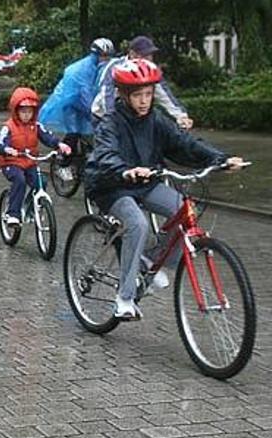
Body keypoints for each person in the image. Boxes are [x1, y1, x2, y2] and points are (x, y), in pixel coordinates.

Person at [84, 59, 246, 319]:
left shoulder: (156, 120)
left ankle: (148, 260)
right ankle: (124, 298)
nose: (144, 100)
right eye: (137, 95)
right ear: (124, 95)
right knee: (138, 224)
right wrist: (126, 170)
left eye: (148, 94)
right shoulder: (110, 123)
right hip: (111, 185)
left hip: (146, 181)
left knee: (183, 209)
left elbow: (184, 144)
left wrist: (220, 159)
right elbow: (105, 154)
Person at [38, 38, 115, 179]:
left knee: (96, 130)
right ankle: (63, 164)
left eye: (108, 56)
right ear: (95, 55)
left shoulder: (104, 68)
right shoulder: (82, 70)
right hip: (69, 100)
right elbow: (85, 96)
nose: (106, 59)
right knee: (75, 132)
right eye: (103, 56)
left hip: (84, 100)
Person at [0, 87, 72, 226]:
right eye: (23, 111)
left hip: (29, 162)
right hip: (11, 163)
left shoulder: (35, 126)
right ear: (16, 110)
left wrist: (59, 145)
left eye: (30, 112)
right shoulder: (9, 127)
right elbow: (0, 144)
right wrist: (7, 149)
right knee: (20, 180)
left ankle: (30, 209)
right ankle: (13, 214)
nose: (26, 115)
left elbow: (47, 137)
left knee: (41, 182)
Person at [93, 35, 193, 130]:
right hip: (103, 116)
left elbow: (164, 94)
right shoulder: (115, 67)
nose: (149, 58)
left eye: (150, 55)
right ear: (132, 54)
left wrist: (181, 116)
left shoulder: (150, 69)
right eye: (145, 55)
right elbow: (107, 95)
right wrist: (112, 120)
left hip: (133, 116)